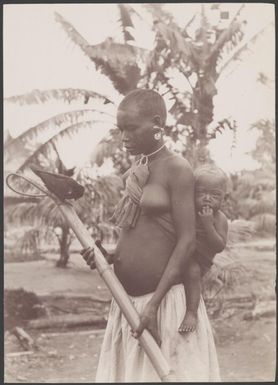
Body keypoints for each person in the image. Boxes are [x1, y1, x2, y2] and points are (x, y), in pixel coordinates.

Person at [81, 89, 220, 382]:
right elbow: (139, 232)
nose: (124, 137)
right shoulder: (138, 169)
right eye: (121, 130)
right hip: (129, 305)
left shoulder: (177, 168)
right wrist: (107, 256)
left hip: (165, 304)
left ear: (157, 123)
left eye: (131, 128)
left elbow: (186, 241)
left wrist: (154, 305)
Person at [179, 165, 229, 334]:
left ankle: (191, 312)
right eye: (201, 193)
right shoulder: (189, 210)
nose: (207, 198)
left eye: (214, 195)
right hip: (181, 252)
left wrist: (208, 226)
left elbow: (220, 246)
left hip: (200, 260)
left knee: (192, 272)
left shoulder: (219, 218)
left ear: (224, 199)